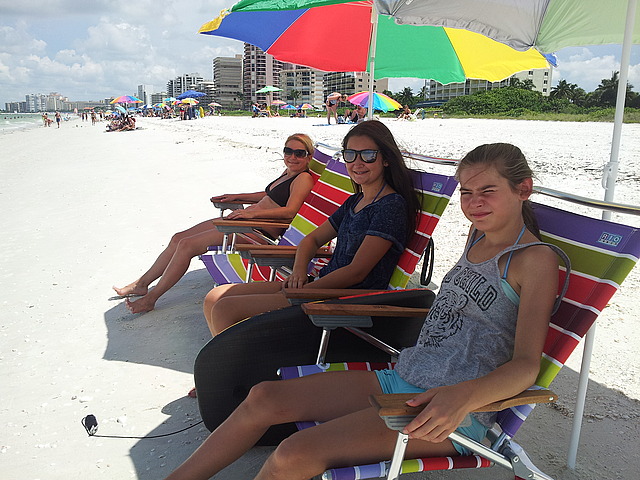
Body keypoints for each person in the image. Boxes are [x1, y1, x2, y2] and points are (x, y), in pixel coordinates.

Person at [163, 143, 564, 480]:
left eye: (487, 191)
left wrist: (463, 397)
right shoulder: (478, 237)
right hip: (405, 377)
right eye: (465, 192)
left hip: (451, 411)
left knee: (294, 453)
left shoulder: (534, 260)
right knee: (265, 396)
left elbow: (527, 365)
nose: (473, 204)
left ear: (523, 189)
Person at [202, 120, 420, 337]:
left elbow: (357, 272)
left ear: (386, 160)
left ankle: (238, 368)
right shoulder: (355, 202)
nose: (357, 162)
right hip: (318, 288)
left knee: (224, 309)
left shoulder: (390, 207)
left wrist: (305, 292)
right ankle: (236, 363)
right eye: (351, 154)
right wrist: (298, 274)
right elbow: (311, 241)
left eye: (368, 155)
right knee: (215, 297)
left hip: (340, 305)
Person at [113, 134, 316, 314]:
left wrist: (250, 217)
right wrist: (237, 196)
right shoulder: (288, 173)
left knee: (187, 245)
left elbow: (291, 211)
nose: (292, 157)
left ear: (308, 156)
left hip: (257, 231)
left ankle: (151, 299)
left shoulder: (303, 178)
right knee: (178, 238)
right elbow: (268, 195)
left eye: (299, 153)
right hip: (244, 221)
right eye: (288, 151)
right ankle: (142, 284)